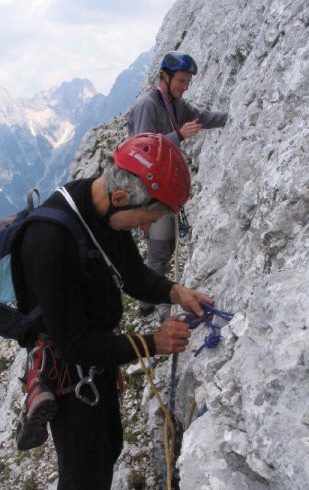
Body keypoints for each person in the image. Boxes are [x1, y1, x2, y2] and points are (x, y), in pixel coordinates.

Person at [14, 133, 212, 490]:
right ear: (124, 196)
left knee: (108, 447)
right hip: (68, 371)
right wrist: (151, 344)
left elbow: (132, 274)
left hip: (97, 358)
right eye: (152, 214)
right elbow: (75, 342)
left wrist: (175, 292)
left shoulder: (103, 210)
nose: (151, 225)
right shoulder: (50, 240)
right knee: (82, 470)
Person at [127, 51, 228, 321]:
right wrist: (178, 136)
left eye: (188, 82)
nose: (185, 87)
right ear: (166, 76)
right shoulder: (148, 105)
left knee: (167, 244)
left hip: (165, 188)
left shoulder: (175, 105)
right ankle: (156, 308)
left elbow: (202, 118)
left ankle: (150, 299)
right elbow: (142, 151)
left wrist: (233, 118)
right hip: (149, 193)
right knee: (160, 248)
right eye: (182, 81)